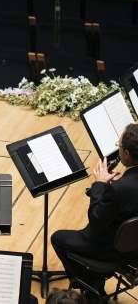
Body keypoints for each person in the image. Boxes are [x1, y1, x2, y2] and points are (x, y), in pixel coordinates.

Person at [52, 123, 138, 300]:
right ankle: (95, 281)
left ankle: (91, 288)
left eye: (119, 146)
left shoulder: (119, 189)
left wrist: (99, 184)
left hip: (111, 249)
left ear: (127, 154)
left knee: (58, 238)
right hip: (135, 247)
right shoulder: (123, 186)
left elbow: (97, 220)